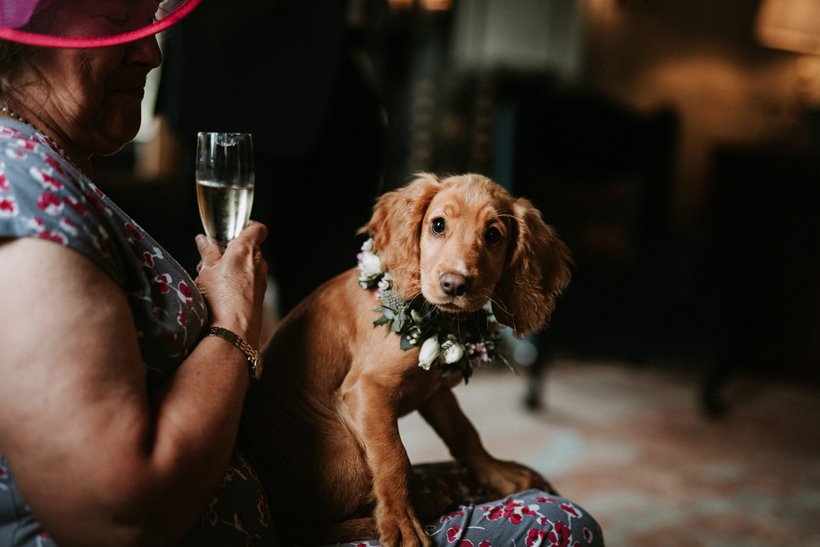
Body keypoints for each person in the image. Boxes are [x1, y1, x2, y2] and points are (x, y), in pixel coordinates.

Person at [0, 1, 605, 545]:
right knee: (558, 528)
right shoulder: (27, 193)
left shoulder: (51, 174)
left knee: (533, 488)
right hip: (251, 521)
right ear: (23, 31)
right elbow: (120, 513)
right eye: (116, 17)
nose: (154, 47)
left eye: (149, 15)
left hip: (258, 488)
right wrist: (235, 320)